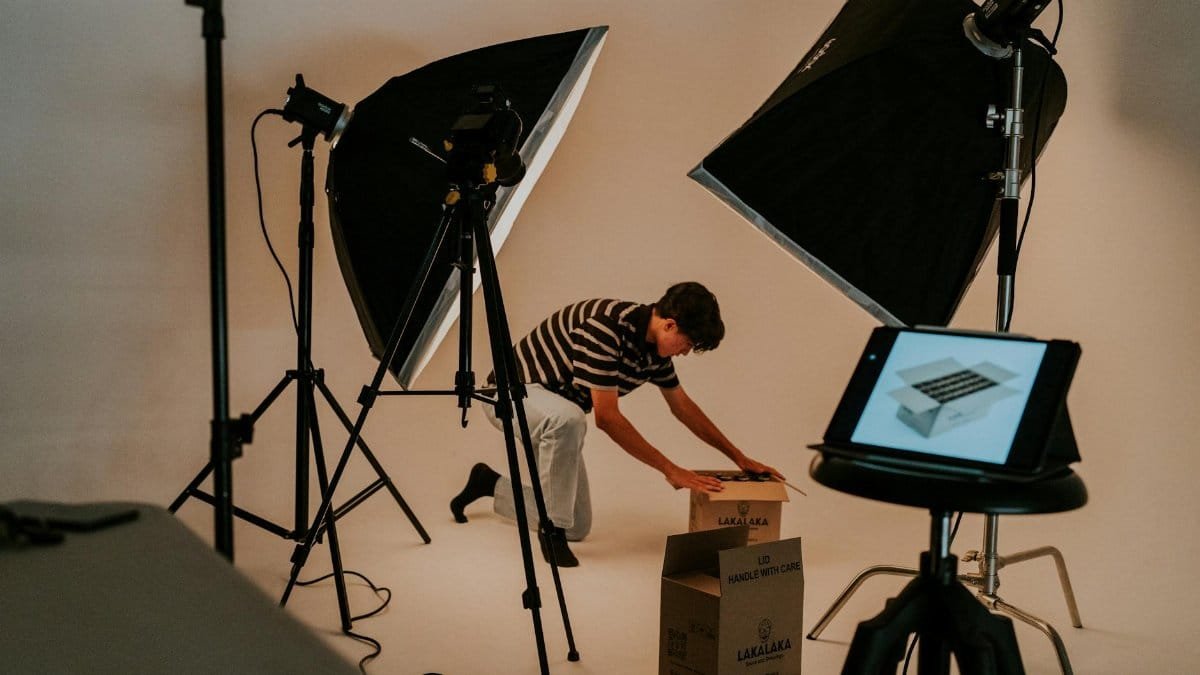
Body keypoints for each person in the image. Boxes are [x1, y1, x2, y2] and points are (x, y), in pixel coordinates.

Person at [449, 282, 783, 566]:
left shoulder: (655, 353)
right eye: (688, 344)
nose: (684, 353)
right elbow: (606, 418)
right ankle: (551, 535)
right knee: (569, 419)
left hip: (556, 415)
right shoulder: (606, 328)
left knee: (577, 525)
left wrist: (738, 457)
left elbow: (683, 408)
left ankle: (488, 483)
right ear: (669, 325)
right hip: (508, 396)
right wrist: (670, 468)